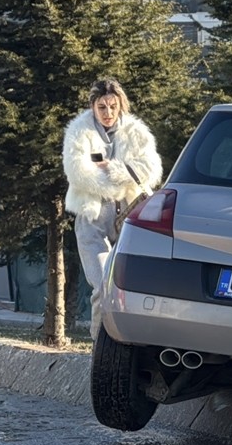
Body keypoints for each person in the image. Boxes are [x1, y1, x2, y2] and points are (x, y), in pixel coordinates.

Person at [62, 79, 162, 335]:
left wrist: (114, 169)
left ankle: (123, 346)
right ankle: (100, 346)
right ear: (93, 106)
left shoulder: (136, 131)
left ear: (120, 106)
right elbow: (78, 173)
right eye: (102, 107)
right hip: (92, 214)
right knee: (103, 286)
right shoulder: (79, 131)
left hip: (129, 214)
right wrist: (123, 178)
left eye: (113, 106)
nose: (108, 113)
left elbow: (151, 170)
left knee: (129, 289)